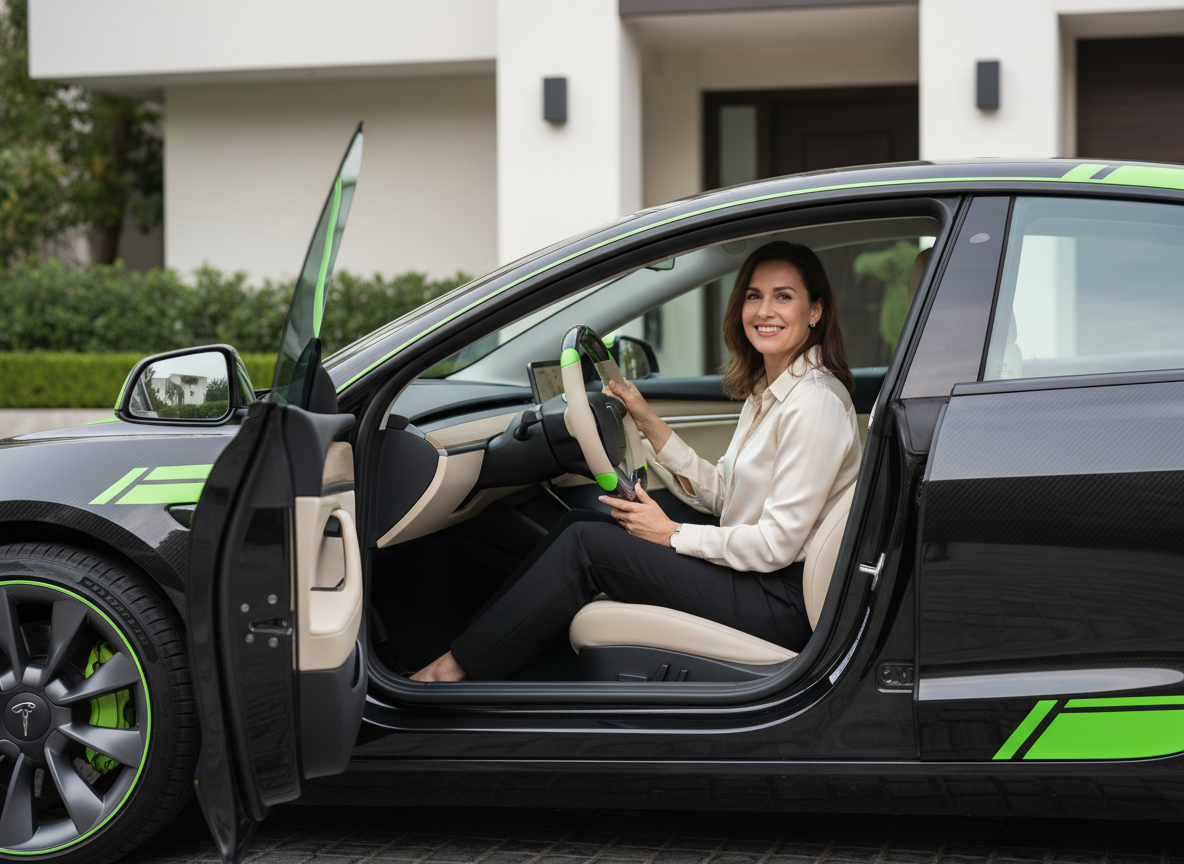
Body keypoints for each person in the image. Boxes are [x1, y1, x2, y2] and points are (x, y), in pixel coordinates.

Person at [412, 240, 862, 682]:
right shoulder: (769, 393)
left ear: (815, 311)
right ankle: (483, 649)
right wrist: (646, 421)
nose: (764, 311)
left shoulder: (813, 403)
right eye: (753, 296)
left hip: (779, 600)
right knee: (578, 524)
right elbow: (726, 494)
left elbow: (776, 545)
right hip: (759, 578)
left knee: (585, 545)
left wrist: (670, 533)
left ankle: (447, 674)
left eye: (783, 297)